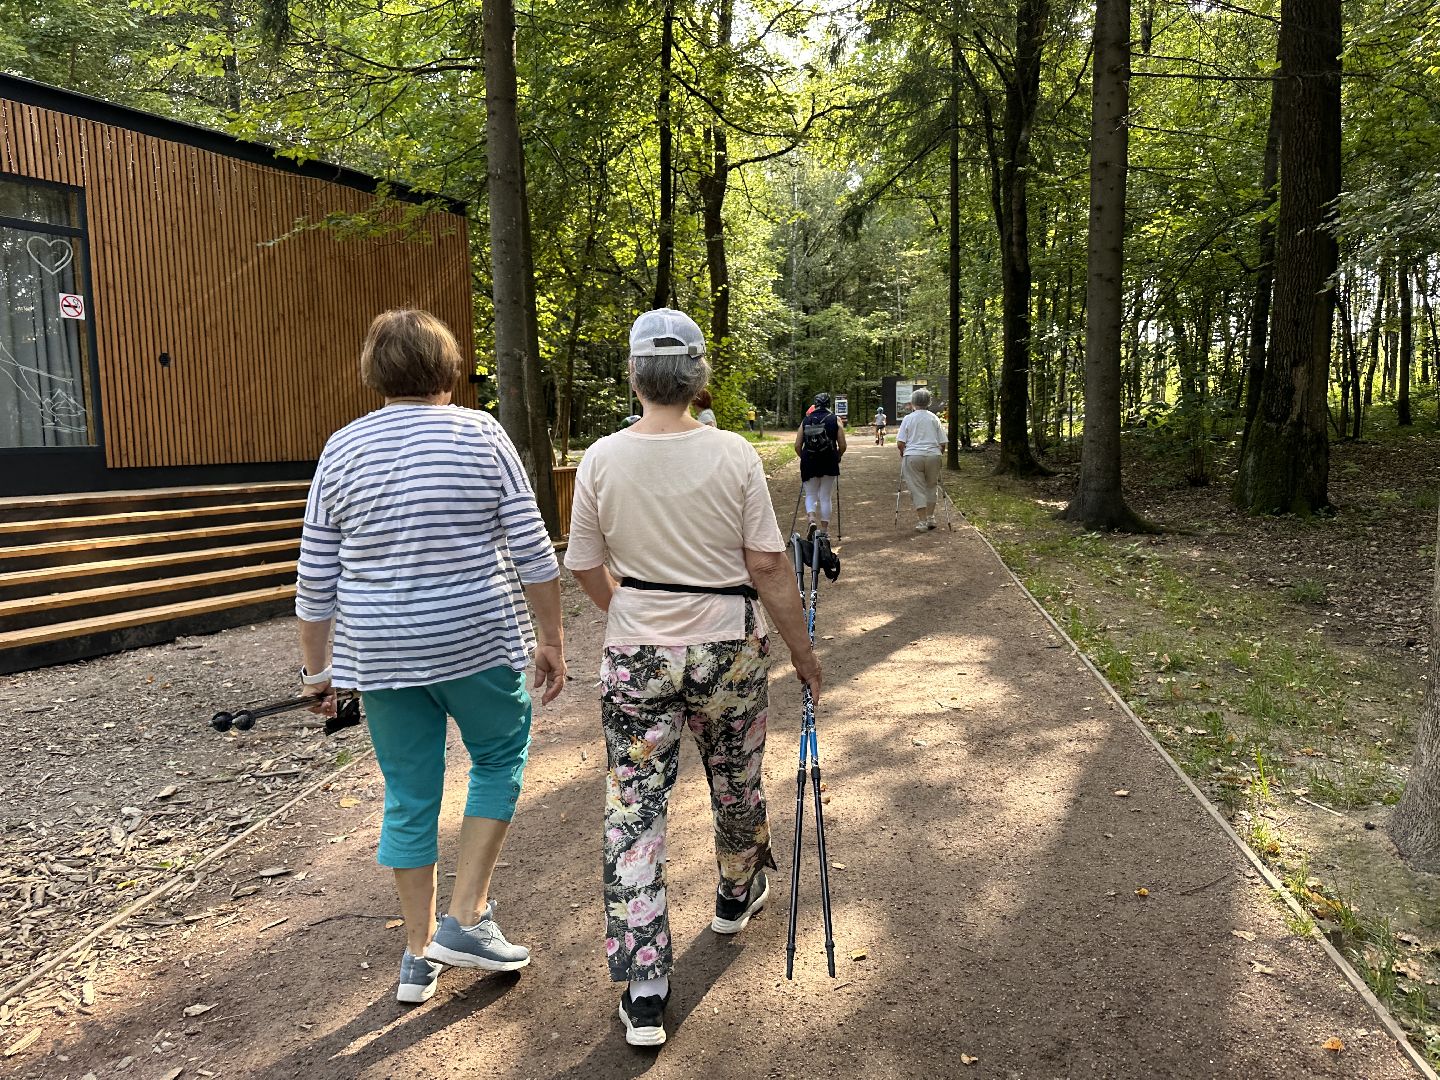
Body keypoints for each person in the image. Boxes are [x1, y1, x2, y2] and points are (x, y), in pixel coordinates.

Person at [564, 307, 821, 1047]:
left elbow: (583, 561)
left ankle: (645, 988)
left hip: (636, 654)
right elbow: (767, 566)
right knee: (736, 781)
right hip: (728, 651)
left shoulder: (602, 458)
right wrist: (802, 654)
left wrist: (630, 611)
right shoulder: (733, 453)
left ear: (635, 375)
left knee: (634, 808)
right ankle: (736, 895)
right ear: (698, 376)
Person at [295, 308, 567, 1006]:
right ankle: (466, 918)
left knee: (410, 795)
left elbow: (316, 574)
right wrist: (551, 639)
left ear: (375, 372)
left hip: (380, 654)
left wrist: (318, 672)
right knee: (499, 758)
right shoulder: (480, 433)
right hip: (473, 638)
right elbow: (535, 551)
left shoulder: (342, 448)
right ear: (448, 370)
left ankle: (418, 957)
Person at [896, 386, 948, 531]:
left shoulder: (908, 418)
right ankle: (931, 518)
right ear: (929, 402)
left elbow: (900, 443)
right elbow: (942, 443)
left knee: (917, 488)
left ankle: (922, 522)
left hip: (913, 455)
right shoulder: (934, 418)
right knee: (931, 486)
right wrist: (938, 455)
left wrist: (903, 453)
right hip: (933, 455)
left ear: (913, 402)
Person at [794, 392, 846, 536]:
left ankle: (811, 520)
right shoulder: (835, 419)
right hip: (829, 461)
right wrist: (838, 456)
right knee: (825, 496)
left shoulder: (806, 420)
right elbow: (842, 444)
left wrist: (804, 457)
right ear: (828, 404)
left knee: (810, 494)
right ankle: (824, 531)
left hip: (809, 462)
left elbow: (797, 445)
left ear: (815, 404)